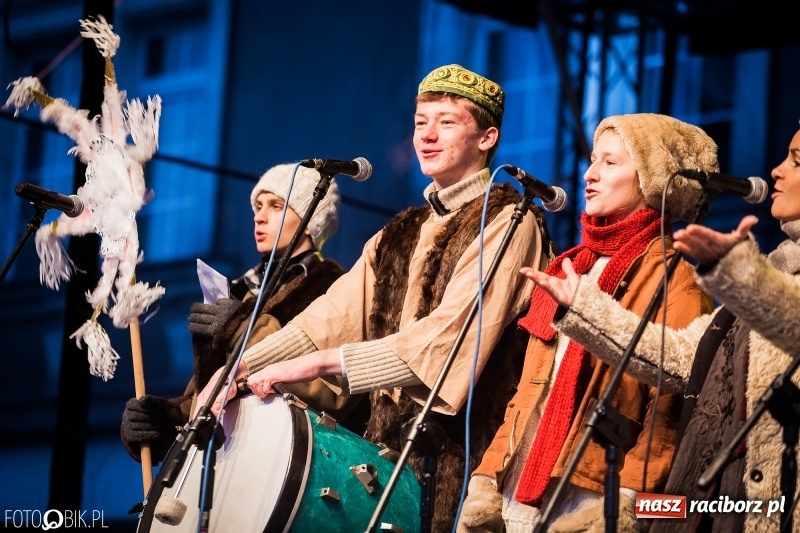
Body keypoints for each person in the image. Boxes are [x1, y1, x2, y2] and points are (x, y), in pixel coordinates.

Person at [197, 64, 554, 533]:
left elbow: (446, 342)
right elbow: (329, 317)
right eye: (420, 121)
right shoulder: (400, 231)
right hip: (388, 456)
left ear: (487, 138)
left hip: (465, 460)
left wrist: (310, 365)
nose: (427, 135)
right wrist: (241, 366)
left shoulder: (511, 222)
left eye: (446, 122)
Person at [525, 125, 800, 532]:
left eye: (796, 161)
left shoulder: (750, 279)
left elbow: (791, 322)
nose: (776, 171)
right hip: (726, 494)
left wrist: (738, 274)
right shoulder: (779, 266)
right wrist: (584, 309)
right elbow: (684, 357)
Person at [458, 113, 718, 533]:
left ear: (652, 180)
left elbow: (664, 420)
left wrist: (628, 504)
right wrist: (487, 477)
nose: (590, 174)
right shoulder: (568, 268)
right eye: (592, 160)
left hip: (590, 494)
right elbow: (527, 393)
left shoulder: (675, 281)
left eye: (610, 163)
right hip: (519, 486)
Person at [120, 163, 365, 463]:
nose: (259, 216)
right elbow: (207, 393)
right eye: (258, 206)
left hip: (287, 462)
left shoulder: (333, 287)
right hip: (225, 462)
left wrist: (242, 327)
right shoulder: (238, 292)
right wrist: (164, 420)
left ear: (310, 220)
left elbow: (330, 390)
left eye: (276, 206)